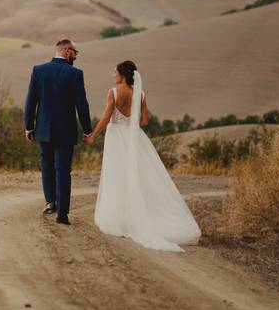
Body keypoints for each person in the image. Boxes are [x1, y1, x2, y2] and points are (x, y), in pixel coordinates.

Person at [83, 60, 201, 251]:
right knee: (139, 175)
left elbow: (106, 117)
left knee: (117, 176)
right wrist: (132, 119)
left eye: (115, 72)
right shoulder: (140, 94)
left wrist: (92, 136)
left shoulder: (113, 93)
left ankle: (119, 218)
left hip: (115, 137)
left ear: (122, 75)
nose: (113, 75)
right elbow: (145, 120)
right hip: (134, 137)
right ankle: (140, 214)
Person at [24, 38, 93, 225]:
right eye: (75, 53)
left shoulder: (39, 71)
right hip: (66, 131)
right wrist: (88, 130)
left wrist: (29, 127)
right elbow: (82, 105)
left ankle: (50, 203)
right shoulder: (75, 74)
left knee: (46, 165)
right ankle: (62, 214)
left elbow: (31, 102)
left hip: (44, 129)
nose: (76, 57)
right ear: (66, 50)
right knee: (63, 170)